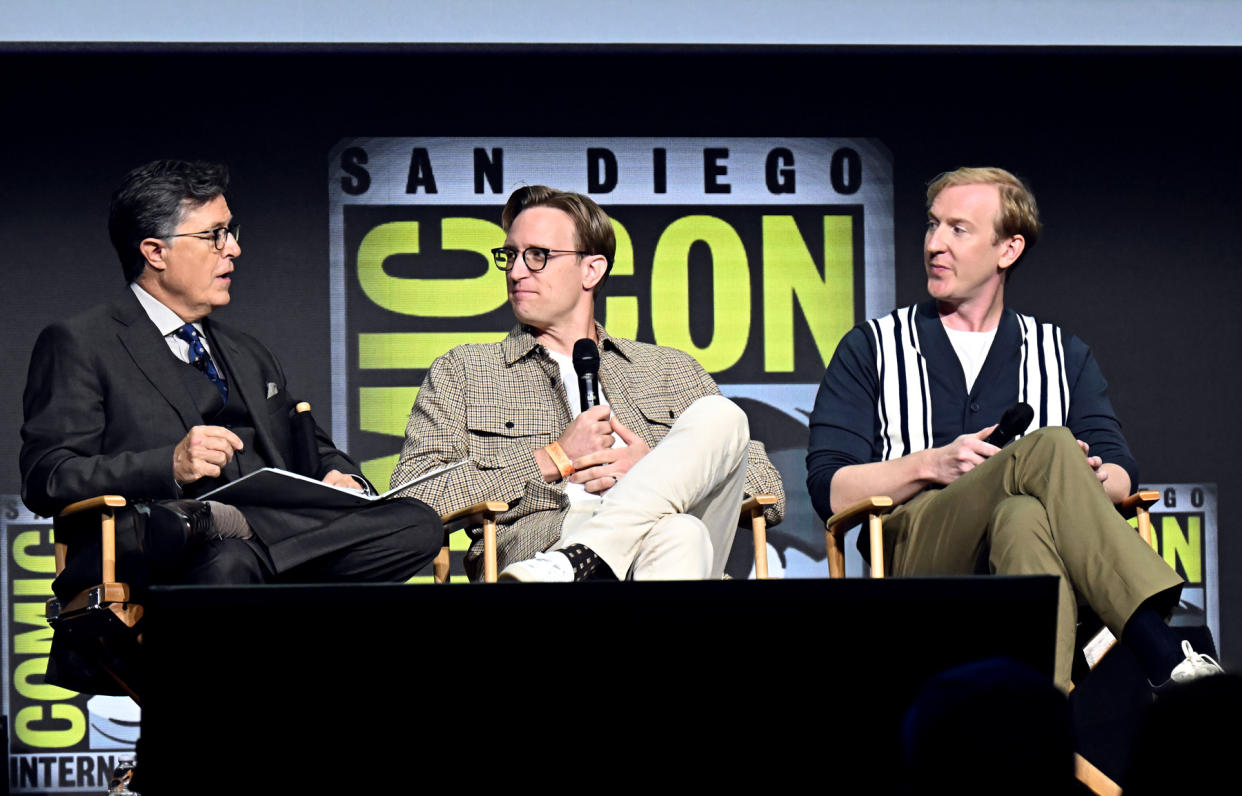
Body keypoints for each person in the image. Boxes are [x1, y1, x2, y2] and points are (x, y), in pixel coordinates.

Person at [20, 160, 441, 690]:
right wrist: (169, 465)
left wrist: (343, 481)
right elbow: (48, 476)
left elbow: (312, 447)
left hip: (259, 541)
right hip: (152, 550)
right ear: (155, 252)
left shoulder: (247, 351)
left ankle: (227, 522)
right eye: (215, 236)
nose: (234, 249)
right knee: (227, 565)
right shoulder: (82, 341)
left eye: (231, 232)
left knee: (417, 524)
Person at [806, 166, 1221, 692]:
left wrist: (1084, 479)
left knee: (1024, 512)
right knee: (1048, 445)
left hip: (1033, 553)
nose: (935, 243)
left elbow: (1120, 471)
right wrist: (930, 464)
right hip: (914, 556)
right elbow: (829, 488)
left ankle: (1039, 718)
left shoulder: (1060, 352)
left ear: (1008, 249)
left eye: (958, 229)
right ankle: (1159, 648)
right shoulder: (872, 346)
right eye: (932, 226)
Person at [390, 185, 784, 581]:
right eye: (510, 255)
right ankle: (577, 556)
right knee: (681, 533)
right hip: (547, 543)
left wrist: (652, 469)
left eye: (537, 256)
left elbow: (768, 491)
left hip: (588, 561)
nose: (516, 270)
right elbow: (412, 500)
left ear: (591, 270)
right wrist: (552, 458)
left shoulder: (669, 369)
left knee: (721, 415)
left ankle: (578, 559)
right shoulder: (466, 372)